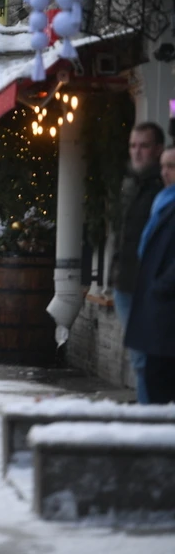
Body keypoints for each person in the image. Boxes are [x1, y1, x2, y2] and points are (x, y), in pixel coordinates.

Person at [112, 121, 164, 404]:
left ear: (157, 149)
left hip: (148, 287)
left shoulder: (160, 188)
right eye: (133, 146)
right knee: (139, 358)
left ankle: (150, 419)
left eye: (144, 146)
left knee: (146, 359)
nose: (137, 152)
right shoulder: (132, 184)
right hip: (126, 283)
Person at [124, 146, 175, 404]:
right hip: (154, 304)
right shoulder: (162, 201)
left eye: (172, 166)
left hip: (166, 309)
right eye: (164, 166)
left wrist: (161, 286)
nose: (165, 172)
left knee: (159, 382)